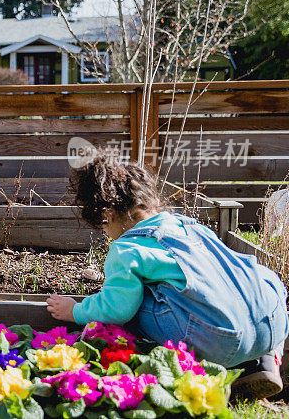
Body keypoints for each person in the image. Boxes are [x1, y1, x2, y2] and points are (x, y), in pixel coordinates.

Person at [46, 150, 288, 400]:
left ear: (106, 213)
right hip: (274, 324)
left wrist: (75, 311)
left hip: (219, 341)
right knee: (255, 275)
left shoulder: (127, 248)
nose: (106, 232)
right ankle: (267, 360)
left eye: (103, 226)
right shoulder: (187, 225)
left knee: (137, 303)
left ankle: (197, 370)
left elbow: (116, 309)